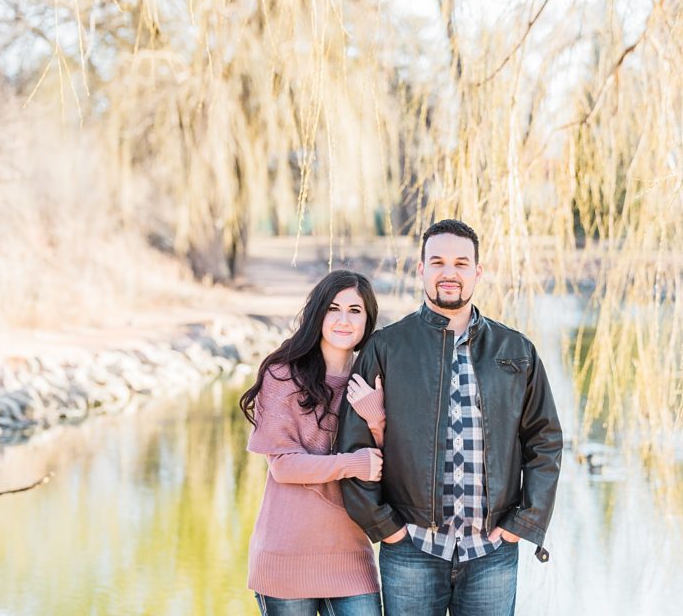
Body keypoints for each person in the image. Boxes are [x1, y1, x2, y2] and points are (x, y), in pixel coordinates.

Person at [336, 219, 563, 616]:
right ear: (421, 269)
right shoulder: (386, 348)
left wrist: (522, 523)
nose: (449, 273)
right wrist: (385, 528)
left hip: (491, 552)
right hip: (411, 549)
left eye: (461, 263)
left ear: (478, 272)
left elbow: (544, 441)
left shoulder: (516, 350)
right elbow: (354, 443)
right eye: (437, 262)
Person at [240, 270, 388, 616]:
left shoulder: (376, 381)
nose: (343, 320)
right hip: (285, 559)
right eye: (333, 308)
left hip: (351, 557)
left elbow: (392, 468)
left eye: (355, 311)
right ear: (317, 314)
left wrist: (376, 419)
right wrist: (351, 464)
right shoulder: (282, 375)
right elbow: (284, 466)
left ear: (368, 321)